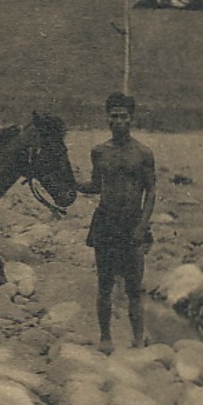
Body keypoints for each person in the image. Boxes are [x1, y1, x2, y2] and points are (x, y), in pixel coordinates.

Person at [80, 92, 156, 354]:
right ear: (107, 119)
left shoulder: (143, 153)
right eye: (114, 116)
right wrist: (73, 185)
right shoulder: (99, 152)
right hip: (106, 222)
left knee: (134, 287)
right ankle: (106, 339)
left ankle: (137, 340)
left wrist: (142, 226)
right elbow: (95, 185)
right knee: (105, 284)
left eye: (124, 116)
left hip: (132, 222)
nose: (119, 121)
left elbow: (151, 191)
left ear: (132, 119)